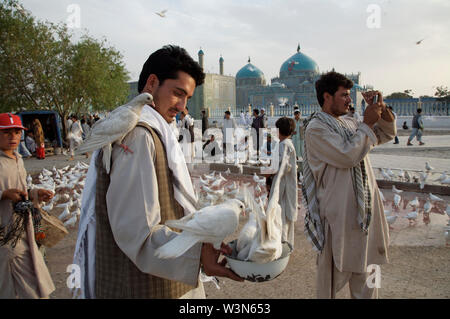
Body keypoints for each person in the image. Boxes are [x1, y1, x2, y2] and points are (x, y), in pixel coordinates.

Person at [73, 45, 242, 299]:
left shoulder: (159, 131)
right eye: (177, 94)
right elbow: (137, 231)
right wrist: (199, 253)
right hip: (146, 286)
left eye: (187, 98)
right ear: (152, 83)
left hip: (164, 279)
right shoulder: (140, 135)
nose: (183, 106)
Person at [303, 71, 396, 299]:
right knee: (331, 280)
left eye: (349, 95)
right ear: (327, 96)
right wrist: (366, 123)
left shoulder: (350, 123)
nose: (349, 100)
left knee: (369, 274)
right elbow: (347, 155)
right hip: (340, 217)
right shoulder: (316, 128)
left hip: (365, 215)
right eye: (344, 95)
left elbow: (383, 135)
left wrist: (382, 111)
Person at [0, 112, 55, 299]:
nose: (13, 137)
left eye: (16, 132)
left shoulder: (18, 159)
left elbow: (23, 188)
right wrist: (4, 195)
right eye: (7, 132)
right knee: (23, 286)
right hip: (6, 235)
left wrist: (34, 194)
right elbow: (7, 191)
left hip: (24, 230)